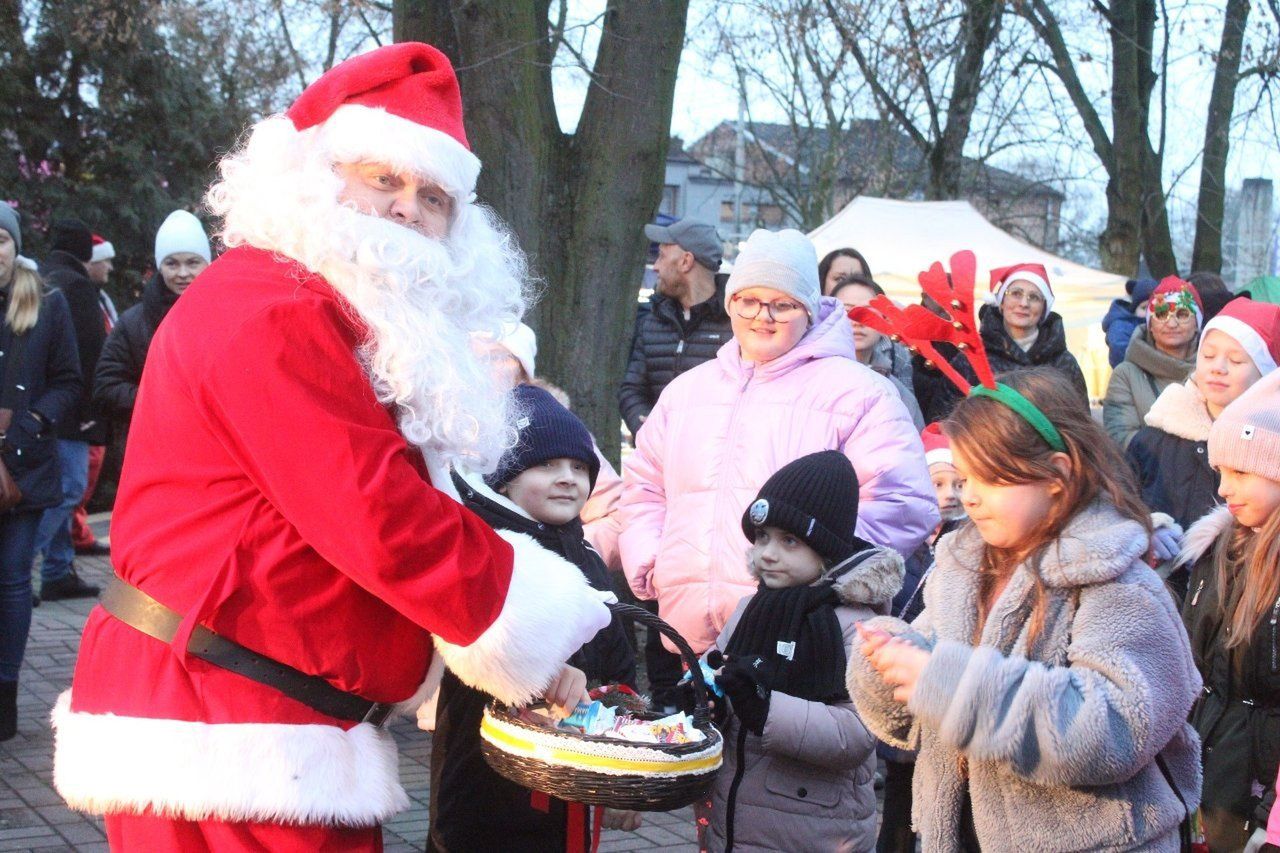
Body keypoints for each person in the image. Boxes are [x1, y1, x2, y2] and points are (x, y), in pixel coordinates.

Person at [52, 42, 612, 851]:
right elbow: (376, 510)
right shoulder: (273, 307)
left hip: (267, 724)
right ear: (314, 177)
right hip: (225, 729)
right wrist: (535, 628)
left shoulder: (329, 312)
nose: (407, 209)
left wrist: (516, 648)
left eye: (434, 196)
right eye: (384, 179)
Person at [849, 366, 1202, 851]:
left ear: (1056, 474)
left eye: (990, 480)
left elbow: (1118, 728)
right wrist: (890, 664)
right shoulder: (963, 566)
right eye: (963, 477)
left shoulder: (1118, 582)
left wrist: (953, 686)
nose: (968, 497)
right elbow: (924, 689)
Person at [620, 227, 936, 657]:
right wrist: (652, 559)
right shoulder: (687, 392)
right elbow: (643, 487)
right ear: (730, 303)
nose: (762, 316)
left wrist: (821, 574)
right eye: (748, 300)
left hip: (798, 633)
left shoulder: (861, 394)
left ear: (808, 308)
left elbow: (902, 503)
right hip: (683, 630)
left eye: (782, 304)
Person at [429, 384, 638, 852]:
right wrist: (539, 675)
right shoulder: (491, 552)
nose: (567, 478)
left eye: (579, 467)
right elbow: (474, 654)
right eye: (546, 465)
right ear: (504, 479)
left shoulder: (585, 554)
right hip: (487, 772)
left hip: (570, 774)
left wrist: (627, 759)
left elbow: (618, 658)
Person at [701, 451, 899, 852]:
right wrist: (701, 693)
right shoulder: (749, 609)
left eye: (789, 540)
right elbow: (716, 671)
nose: (767, 553)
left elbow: (859, 732)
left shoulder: (859, 627)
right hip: (736, 820)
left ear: (825, 549)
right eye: (762, 537)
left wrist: (767, 710)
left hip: (817, 831)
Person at [1179, 367, 1280, 852]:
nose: (1222, 489)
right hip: (1209, 771)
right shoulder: (1215, 552)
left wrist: (1268, 816)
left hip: (1260, 792)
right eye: (1221, 472)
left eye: (1241, 472)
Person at [0, 204, 81, 740]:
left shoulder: (46, 304)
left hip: (23, 469)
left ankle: (4, 696)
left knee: (11, 583)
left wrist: (32, 419)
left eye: (1, 240)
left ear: (14, 244)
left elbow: (71, 381)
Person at [877, 422, 965, 853]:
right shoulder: (902, 543)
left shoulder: (969, 543)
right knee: (899, 791)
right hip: (902, 683)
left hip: (942, 681)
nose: (950, 494)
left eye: (958, 483)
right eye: (938, 483)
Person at [1128, 297, 1279, 540]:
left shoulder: (1270, 449)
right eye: (1208, 356)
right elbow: (1115, 502)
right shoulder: (1153, 438)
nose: (1218, 368)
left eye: (1236, 360)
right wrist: (1147, 526)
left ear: (1266, 374)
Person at [32, 218, 106, 601]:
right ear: (85, 251)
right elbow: (93, 350)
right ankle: (17, 564)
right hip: (74, 405)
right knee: (69, 488)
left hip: (39, 403)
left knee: (56, 487)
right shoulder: (77, 286)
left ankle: (58, 571)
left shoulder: (40, 278)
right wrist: (95, 409)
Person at [93, 211, 212, 421]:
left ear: (207, 263)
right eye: (172, 263)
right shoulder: (133, 323)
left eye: (193, 262)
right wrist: (161, 400)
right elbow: (107, 386)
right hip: (153, 442)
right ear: (160, 266)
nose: (183, 273)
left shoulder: (228, 317)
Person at [618, 217, 730, 437]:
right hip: (656, 461)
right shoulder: (653, 319)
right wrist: (643, 425)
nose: (656, 267)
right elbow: (631, 390)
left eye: (661, 256)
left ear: (686, 261)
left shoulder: (737, 323)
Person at [942, 264, 1089, 413]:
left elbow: (1081, 425)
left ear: (1043, 308)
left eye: (1034, 297)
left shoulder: (1064, 363)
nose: (1024, 303)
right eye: (1016, 293)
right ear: (1001, 302)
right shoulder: (970, 360)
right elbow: (946, 422)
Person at [1103, 277, 1201, 449]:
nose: (1171, 323)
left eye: (1183, 314)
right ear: (1150, 324)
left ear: (1197, 324)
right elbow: (1122, 439)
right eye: (1161, 314)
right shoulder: (1126, 374)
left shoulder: (1213, 373)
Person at [70, 234, 119, 557]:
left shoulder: (99, 298)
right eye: (106, 260)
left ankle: (79, 532)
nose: (111, 267)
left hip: (94, 405)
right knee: (79, 478)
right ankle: (76, 535)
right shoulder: (83, 297)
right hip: (87, 406)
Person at [831, 275, 924, 428]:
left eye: (868, 313)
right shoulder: (808, 377)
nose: (857, 321)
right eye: (846, 311)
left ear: (884, 321)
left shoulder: (898, 394)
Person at [1102, 278, 1157, 368]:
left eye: (1155, 307)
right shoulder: (1121, 328)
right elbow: (1120, 352)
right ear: (1134, 310)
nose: (1149, 312)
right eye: (1144, 308)